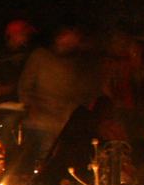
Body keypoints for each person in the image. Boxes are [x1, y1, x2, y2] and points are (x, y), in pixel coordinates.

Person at [17, 26, 102, 173]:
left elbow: (81, 94)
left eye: (74, 40)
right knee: (34, 163)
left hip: (62, 125)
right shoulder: (40, 57)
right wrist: (31, 107)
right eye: (67, 38)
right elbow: (25, 87)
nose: (70, 43)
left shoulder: (76, 64)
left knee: (56, 166)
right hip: (39, 123)